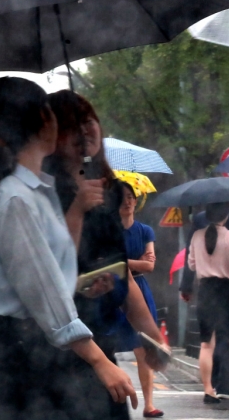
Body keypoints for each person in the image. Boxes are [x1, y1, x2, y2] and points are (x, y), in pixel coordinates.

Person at [0, 77, 143, 420]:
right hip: (24, 361)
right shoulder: (16, 198)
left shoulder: (34, 193)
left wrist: (85, 284)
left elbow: (55, 274)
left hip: (40, 353)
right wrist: (99, 361)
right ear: (44, 122)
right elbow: (43, 293)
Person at [43, 90, 166, 419]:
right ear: (53, 137)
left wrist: (153, 336)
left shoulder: (108, 192)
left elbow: (121, 274)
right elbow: (53, 271)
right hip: (61, 352)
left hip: (102, 342)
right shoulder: (42, 191)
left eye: (89, 121)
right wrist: (77, 209)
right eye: (74, 125)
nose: (86, 131)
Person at [179, 200, 229, 398]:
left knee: (206, 344)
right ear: (226, 215)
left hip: (205, 292)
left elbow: (191, 264)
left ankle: (208, 390)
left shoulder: (196, 236)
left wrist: (204, 263)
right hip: (227, 292)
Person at [114, 181, 162, 418]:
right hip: (113, 289)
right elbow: (109, 262)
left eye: (131, 196)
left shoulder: (145, 231)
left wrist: (124, 262)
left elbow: (150, 265)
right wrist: (136, 261)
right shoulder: (109, 230)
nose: (128, 201)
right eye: (122, 196)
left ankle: (149, 404)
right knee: (108, 345)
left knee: (143, 349)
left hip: (140, 290)